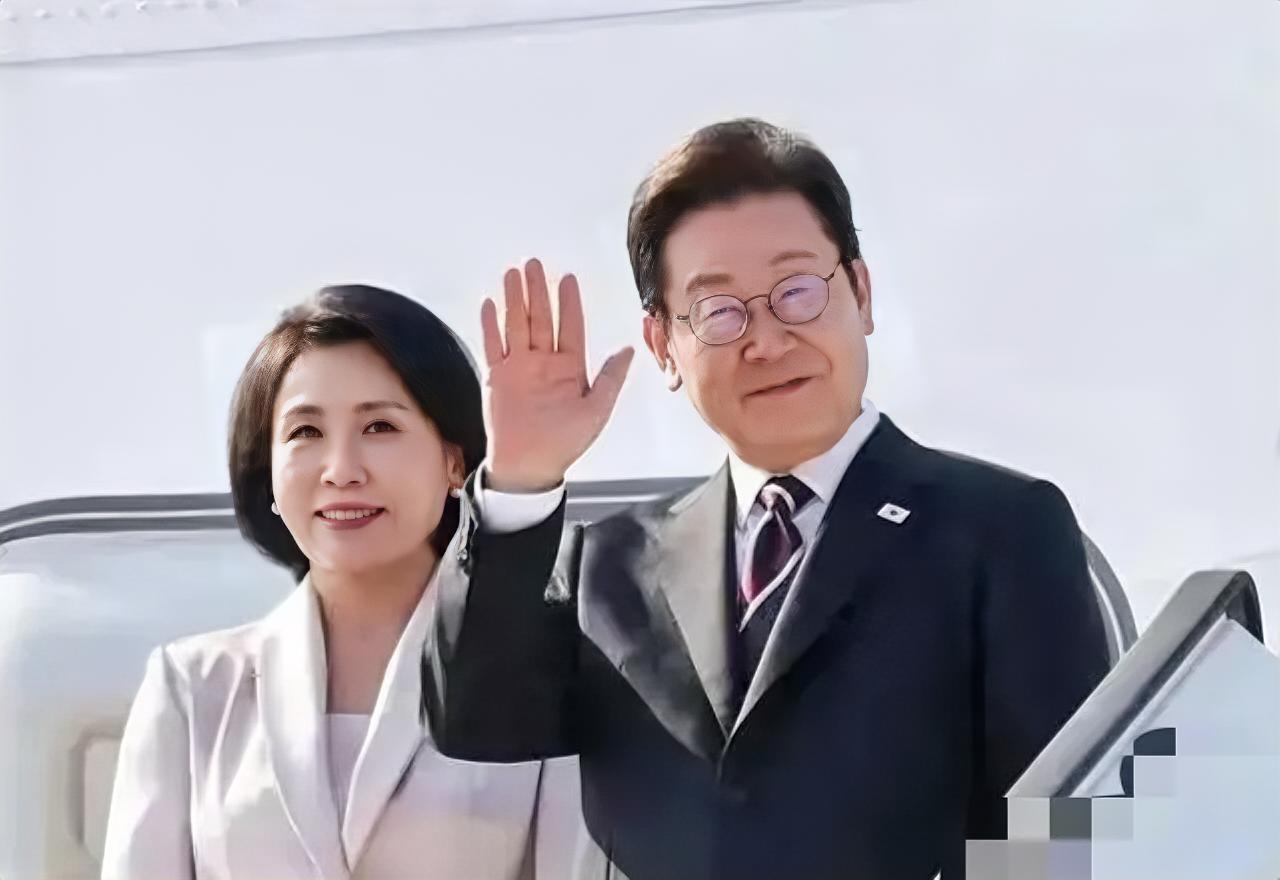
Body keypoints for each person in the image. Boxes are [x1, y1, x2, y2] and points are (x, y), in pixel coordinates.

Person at [424, 119, 1111, 880]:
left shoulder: (1000, 530)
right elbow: (477, 721)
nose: (768, 340)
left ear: (861, 294)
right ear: (663, 346)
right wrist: (520, 480)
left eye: (798, 292)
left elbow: (1057, 834)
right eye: (719, 311)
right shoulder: (607, 565)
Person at [102, 285, 584, 880]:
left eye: (379, 426)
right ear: (269, 473)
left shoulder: (549, 678)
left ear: (454, 462)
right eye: (305, 433)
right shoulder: (193, 687)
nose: (341, 470)